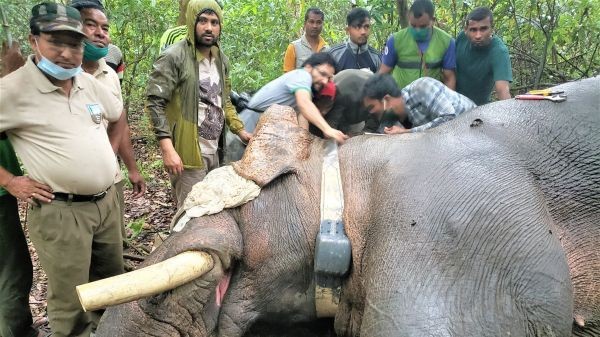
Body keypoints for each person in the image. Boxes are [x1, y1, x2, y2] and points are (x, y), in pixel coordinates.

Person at [0, 3, 124, 337]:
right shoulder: (12, 91)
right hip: (61, 211)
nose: (67, 53)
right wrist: (11, 181)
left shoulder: (86, 82)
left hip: (106, 204)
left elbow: (114, 113)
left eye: (75, 43)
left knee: (112, 286)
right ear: (34, 40)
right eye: (57, 42)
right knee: (71, 301)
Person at [146, 0, 252, 209]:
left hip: (215, 149)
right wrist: (167, 149)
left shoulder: (221, 59)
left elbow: (225, 100)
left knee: (212, 210)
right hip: (188, 153)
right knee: (189, 214)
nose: (209, 27)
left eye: (214, 22)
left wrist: (240, 131)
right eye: (203, 20)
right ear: (192, 21)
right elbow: (154, 102)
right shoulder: (174, 56)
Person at [70, 0, 146, 240]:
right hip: (71, 190)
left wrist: (131, 168)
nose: (100, 33)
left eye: (105, 27)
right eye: (90, 25)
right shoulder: (56, 75)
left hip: (110, 180)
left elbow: (118, 121)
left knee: (114, 247)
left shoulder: (110, 74)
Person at [238, 52, 348, 143]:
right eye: (322, 74)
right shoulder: (302, 76)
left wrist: (304, 143)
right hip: (247, 128)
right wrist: (327, 129)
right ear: (309, 67)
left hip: (260, 131)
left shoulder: (306, 87)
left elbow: (302, 114)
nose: (325, 81)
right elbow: (304, 104)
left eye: (328, 78)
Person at [379, 0, 456, 90]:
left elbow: (449, 78)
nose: (417, 30)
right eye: (413, 25)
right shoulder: (395, 40)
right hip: (401, 98)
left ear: (432, 21)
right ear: (409, 19)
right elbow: (383, 74)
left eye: (422, 26)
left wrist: (447, 101)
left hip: (431, 100)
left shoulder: (446, 42)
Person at [362, 74, 476, 134]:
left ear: (386, 99)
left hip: (475, 124)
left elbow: (449, 117)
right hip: (453, 138)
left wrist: (407, 133)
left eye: (372, 107)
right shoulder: (394, 122)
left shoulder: (422, 87)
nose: (371, 112)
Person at [456, 7, 512, 105]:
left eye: (483, 29)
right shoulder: (461, 39)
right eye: (473, 30)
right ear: (466, 30)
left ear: (492, 29)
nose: (478, 35)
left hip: (475, 108)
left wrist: (511, 116)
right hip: (450, 100)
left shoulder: (499, 51)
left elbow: (503, 90)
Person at [327, 7, 381, 73]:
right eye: (358, 27)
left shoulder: (376, 57)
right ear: (348, 30)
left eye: (366, 27)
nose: (363, 32)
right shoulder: (334, 54)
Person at [283, 7, 328, 72]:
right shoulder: (294, 47)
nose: (315, 26)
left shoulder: (327, 49)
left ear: (322, 24)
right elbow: (287, 77)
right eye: (311, 22)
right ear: (305, 24)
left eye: (318, 22)